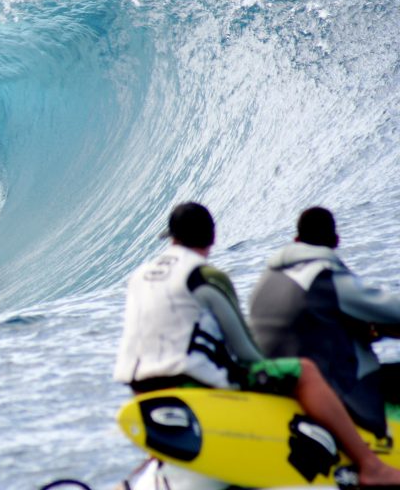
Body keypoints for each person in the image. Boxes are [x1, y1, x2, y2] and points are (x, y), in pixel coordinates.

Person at [114, 202, 400, 486]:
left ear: (172, 237)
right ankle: (371, 465)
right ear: (211, 238)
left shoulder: (139, 275)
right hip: (191, 381)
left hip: (138, 387)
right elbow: (245, 350)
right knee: (304, 372)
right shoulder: (204, 276)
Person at [249, 206, 400, 439]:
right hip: (334, 389)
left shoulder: (265, 280)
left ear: (296, 240)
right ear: (336, 240)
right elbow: (391, 310)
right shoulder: (324, 276)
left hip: (277, 384)